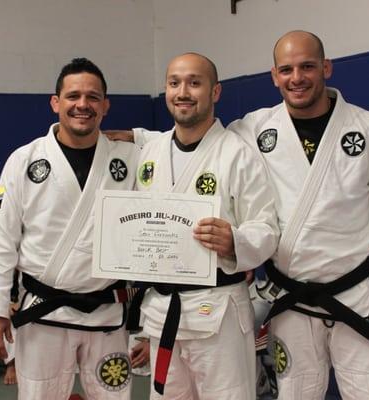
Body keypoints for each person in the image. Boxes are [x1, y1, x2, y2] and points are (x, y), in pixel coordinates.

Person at [225, 31, 369, 400]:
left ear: (326, 68)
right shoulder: (254, 129)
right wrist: (141, 141)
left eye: (307, 67)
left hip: (359, 301)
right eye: (286, 69)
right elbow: (204, 146)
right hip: (291, 299)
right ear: (274, 75)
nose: (296, 77)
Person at [0, 58, 140, 400]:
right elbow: (0, 239)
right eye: (73, 96)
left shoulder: (131, 158)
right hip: (43, 312)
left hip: (108, 313)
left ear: (106, 106)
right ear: (56, 102)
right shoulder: (24, 160)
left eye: (93, 97)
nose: (83, 104)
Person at [130, 53, 279, 400]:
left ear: (215, 92)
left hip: (219, 313)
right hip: (162, 310)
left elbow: (266, 227)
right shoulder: (150, 153)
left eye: (194, 83)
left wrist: (235, 242)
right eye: (174, 83)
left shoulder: (237, 153)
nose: (183, 92)